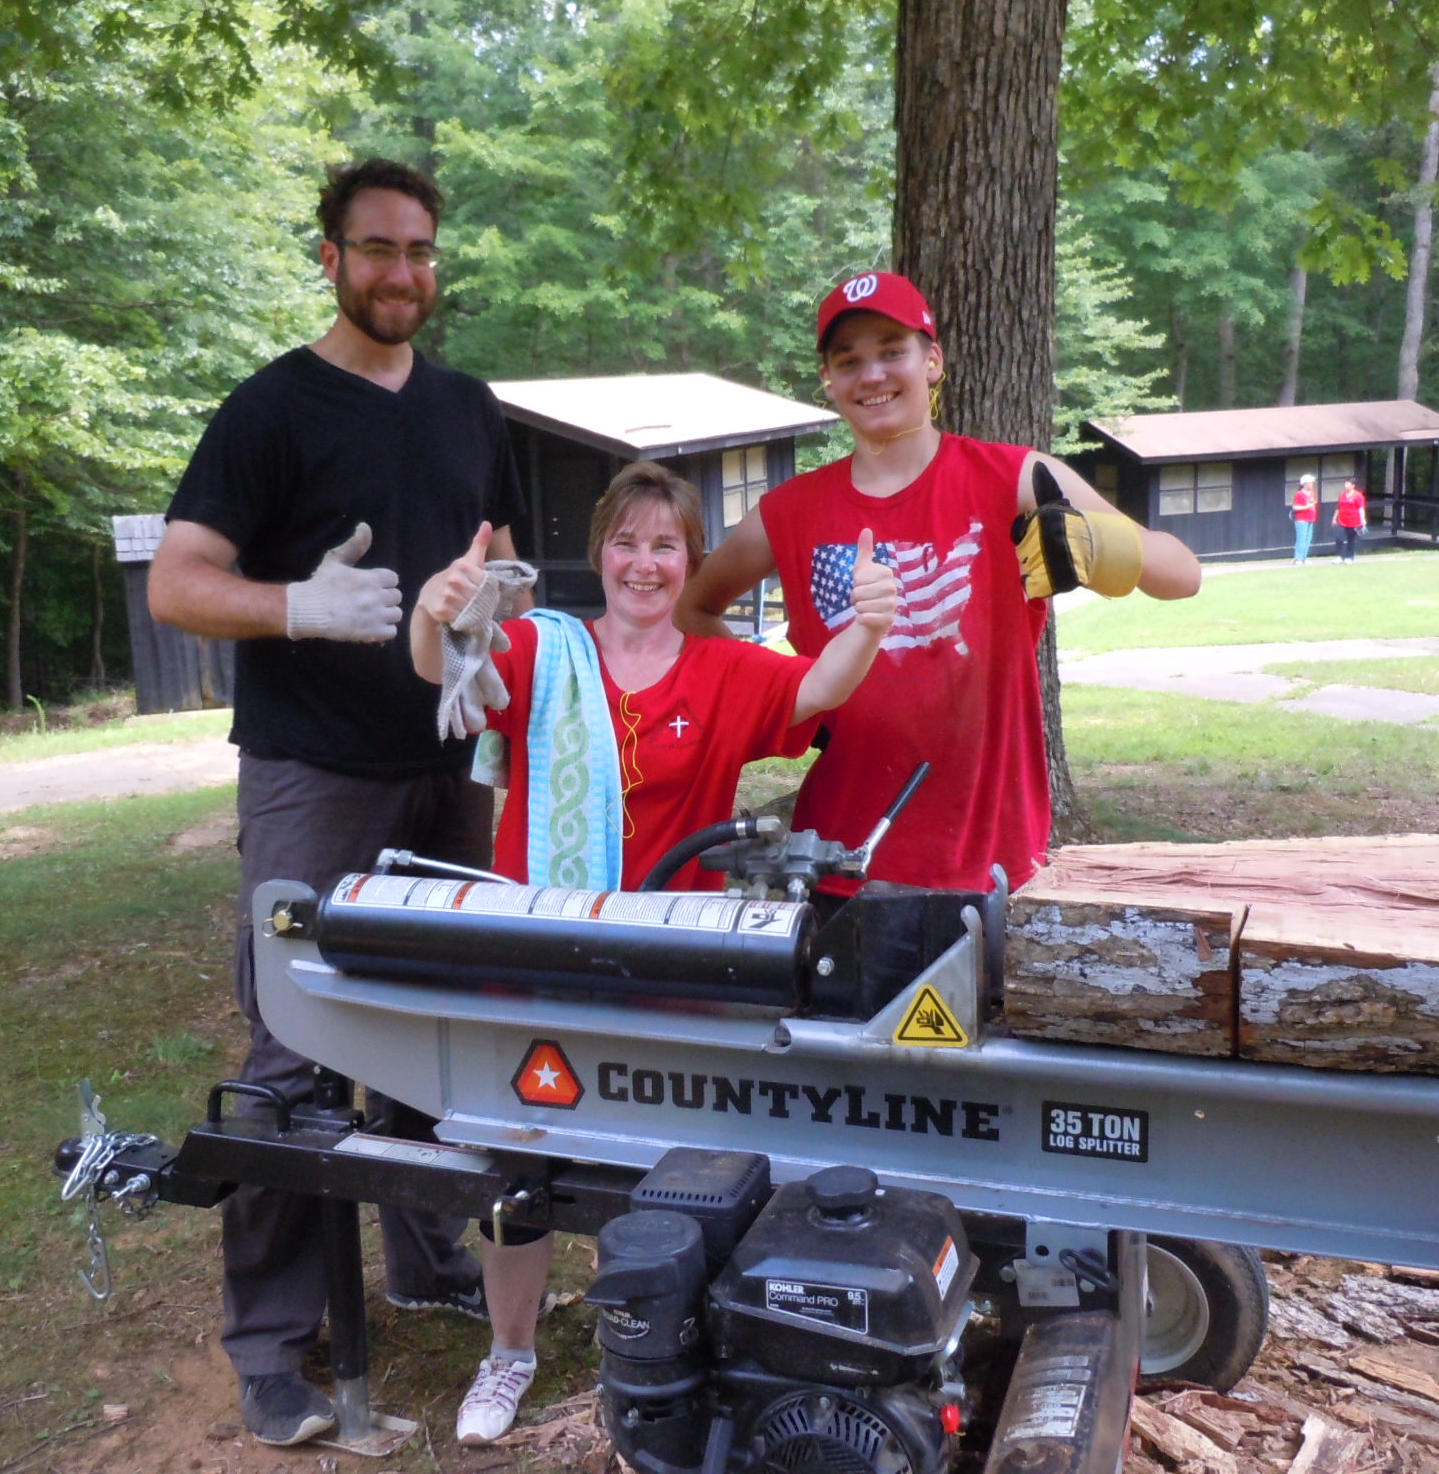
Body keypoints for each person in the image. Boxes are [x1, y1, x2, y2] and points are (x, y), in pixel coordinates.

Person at [146, 158, 528, 1449]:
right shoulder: (270, 411)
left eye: (421, 250)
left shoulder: (473, 411)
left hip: (445, 767)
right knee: (295, 1050)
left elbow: (503, 563)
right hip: (312, 777)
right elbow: (179, 585)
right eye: (377, 250)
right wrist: (295, 605)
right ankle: (271, 1340)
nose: (402, 274)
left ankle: (427, 1258)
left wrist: (488, 627)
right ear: (328, 257)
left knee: (441, 1030)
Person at [409, 459, 896, 1444]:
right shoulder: (546, 651)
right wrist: (434, 610)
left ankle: (654, 1345)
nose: (642, 562)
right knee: (521, 1161)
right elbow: (446, 665)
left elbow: (816, 688)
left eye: (663, 544)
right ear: (600, 553)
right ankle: (508, 1354)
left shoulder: (724, 669)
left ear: (688, 561)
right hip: (539, 954)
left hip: (675, 970)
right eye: (625, 542)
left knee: (669, 1168)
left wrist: (870, 624)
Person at [677, 271, 1201, 896]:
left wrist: (1094, 545)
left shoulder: (1014, 477)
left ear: (932, 360)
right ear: (829, 381)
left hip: (993, 858)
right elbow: (692, 611)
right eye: (849, 360)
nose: (872, 375)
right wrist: (787, 696)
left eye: (891, 352)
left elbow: (1183, 575)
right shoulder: (788, 512)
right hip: (840, 864)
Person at [1334, 477, 1367, 562]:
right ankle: (1340, 556)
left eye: (1348, 484)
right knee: (1338, 538)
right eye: (1345, 484)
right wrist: (1334, 518)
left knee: (1351, 539)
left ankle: (1350, 556)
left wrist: (1363, 520)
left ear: (1353, 485)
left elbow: (1360, 508)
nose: (1346, 486)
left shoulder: (1358, 496)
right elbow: (1338, 507)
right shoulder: (1342, 495)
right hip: (1342, 520)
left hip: (1353, 521)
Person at [1292, 472, 1319, 564]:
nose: (1312, 484)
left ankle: (1304, 557)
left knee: (1308, 538)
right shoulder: (1299, 494)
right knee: (1301, 539)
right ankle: (1298, 558)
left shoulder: (1311, 493)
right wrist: (1307, 507)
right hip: (1301, 519)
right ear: (1305, 484)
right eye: (1310, 483)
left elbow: (1313, 504)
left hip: (1310, 518)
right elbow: (1295, 507)